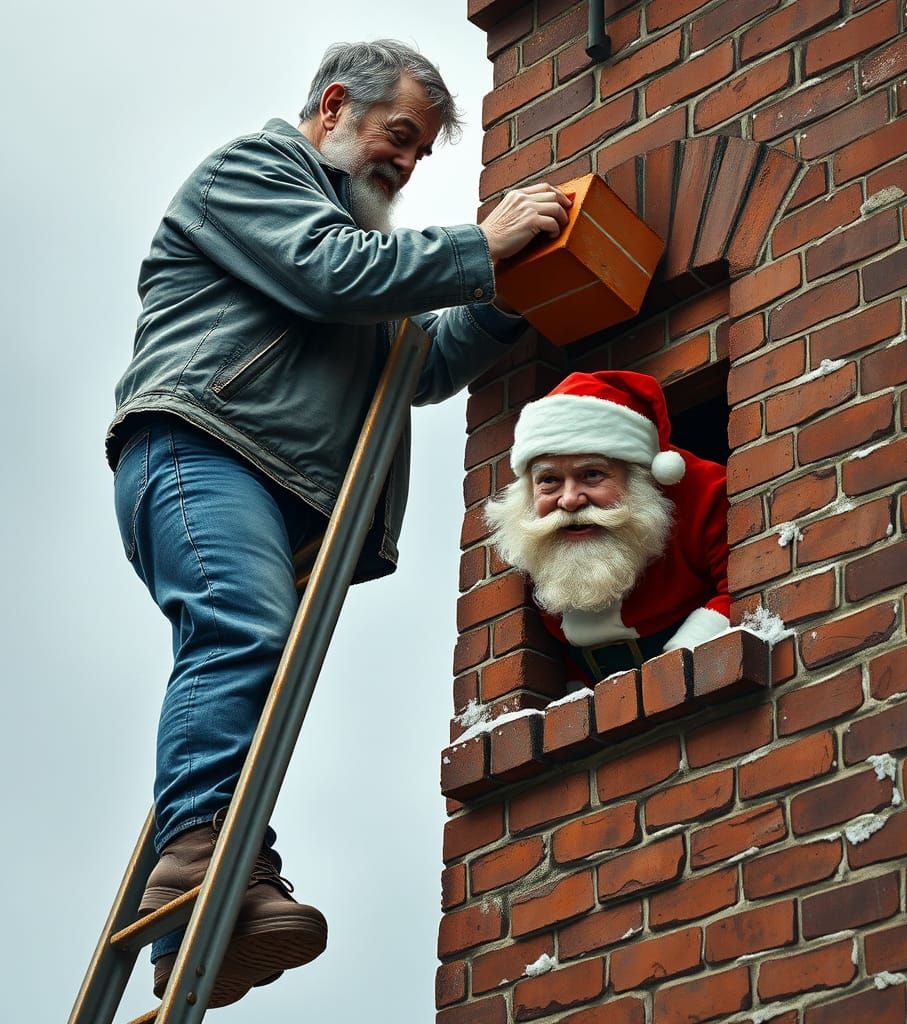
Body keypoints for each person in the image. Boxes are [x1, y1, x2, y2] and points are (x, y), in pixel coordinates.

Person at [105, 39, 571, 1005]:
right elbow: (330, 273)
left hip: (279, 492)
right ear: (332, 108)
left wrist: (514, 294)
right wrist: (480, 247)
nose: (404, 164)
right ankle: (203, 867)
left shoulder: (368, 258)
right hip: (203, 448)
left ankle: (212, 911)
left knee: (258, 680)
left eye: (419, 154)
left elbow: (420, 366)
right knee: (244, 633)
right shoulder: (257, 174)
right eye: (398, 135)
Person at [485, 370, 731, 684]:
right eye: (549, 481)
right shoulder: (535, 544)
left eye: (591, 475)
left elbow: (747, 589)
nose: (570, 500)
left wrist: (682, 659)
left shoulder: (703, 495)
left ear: (637, 476)